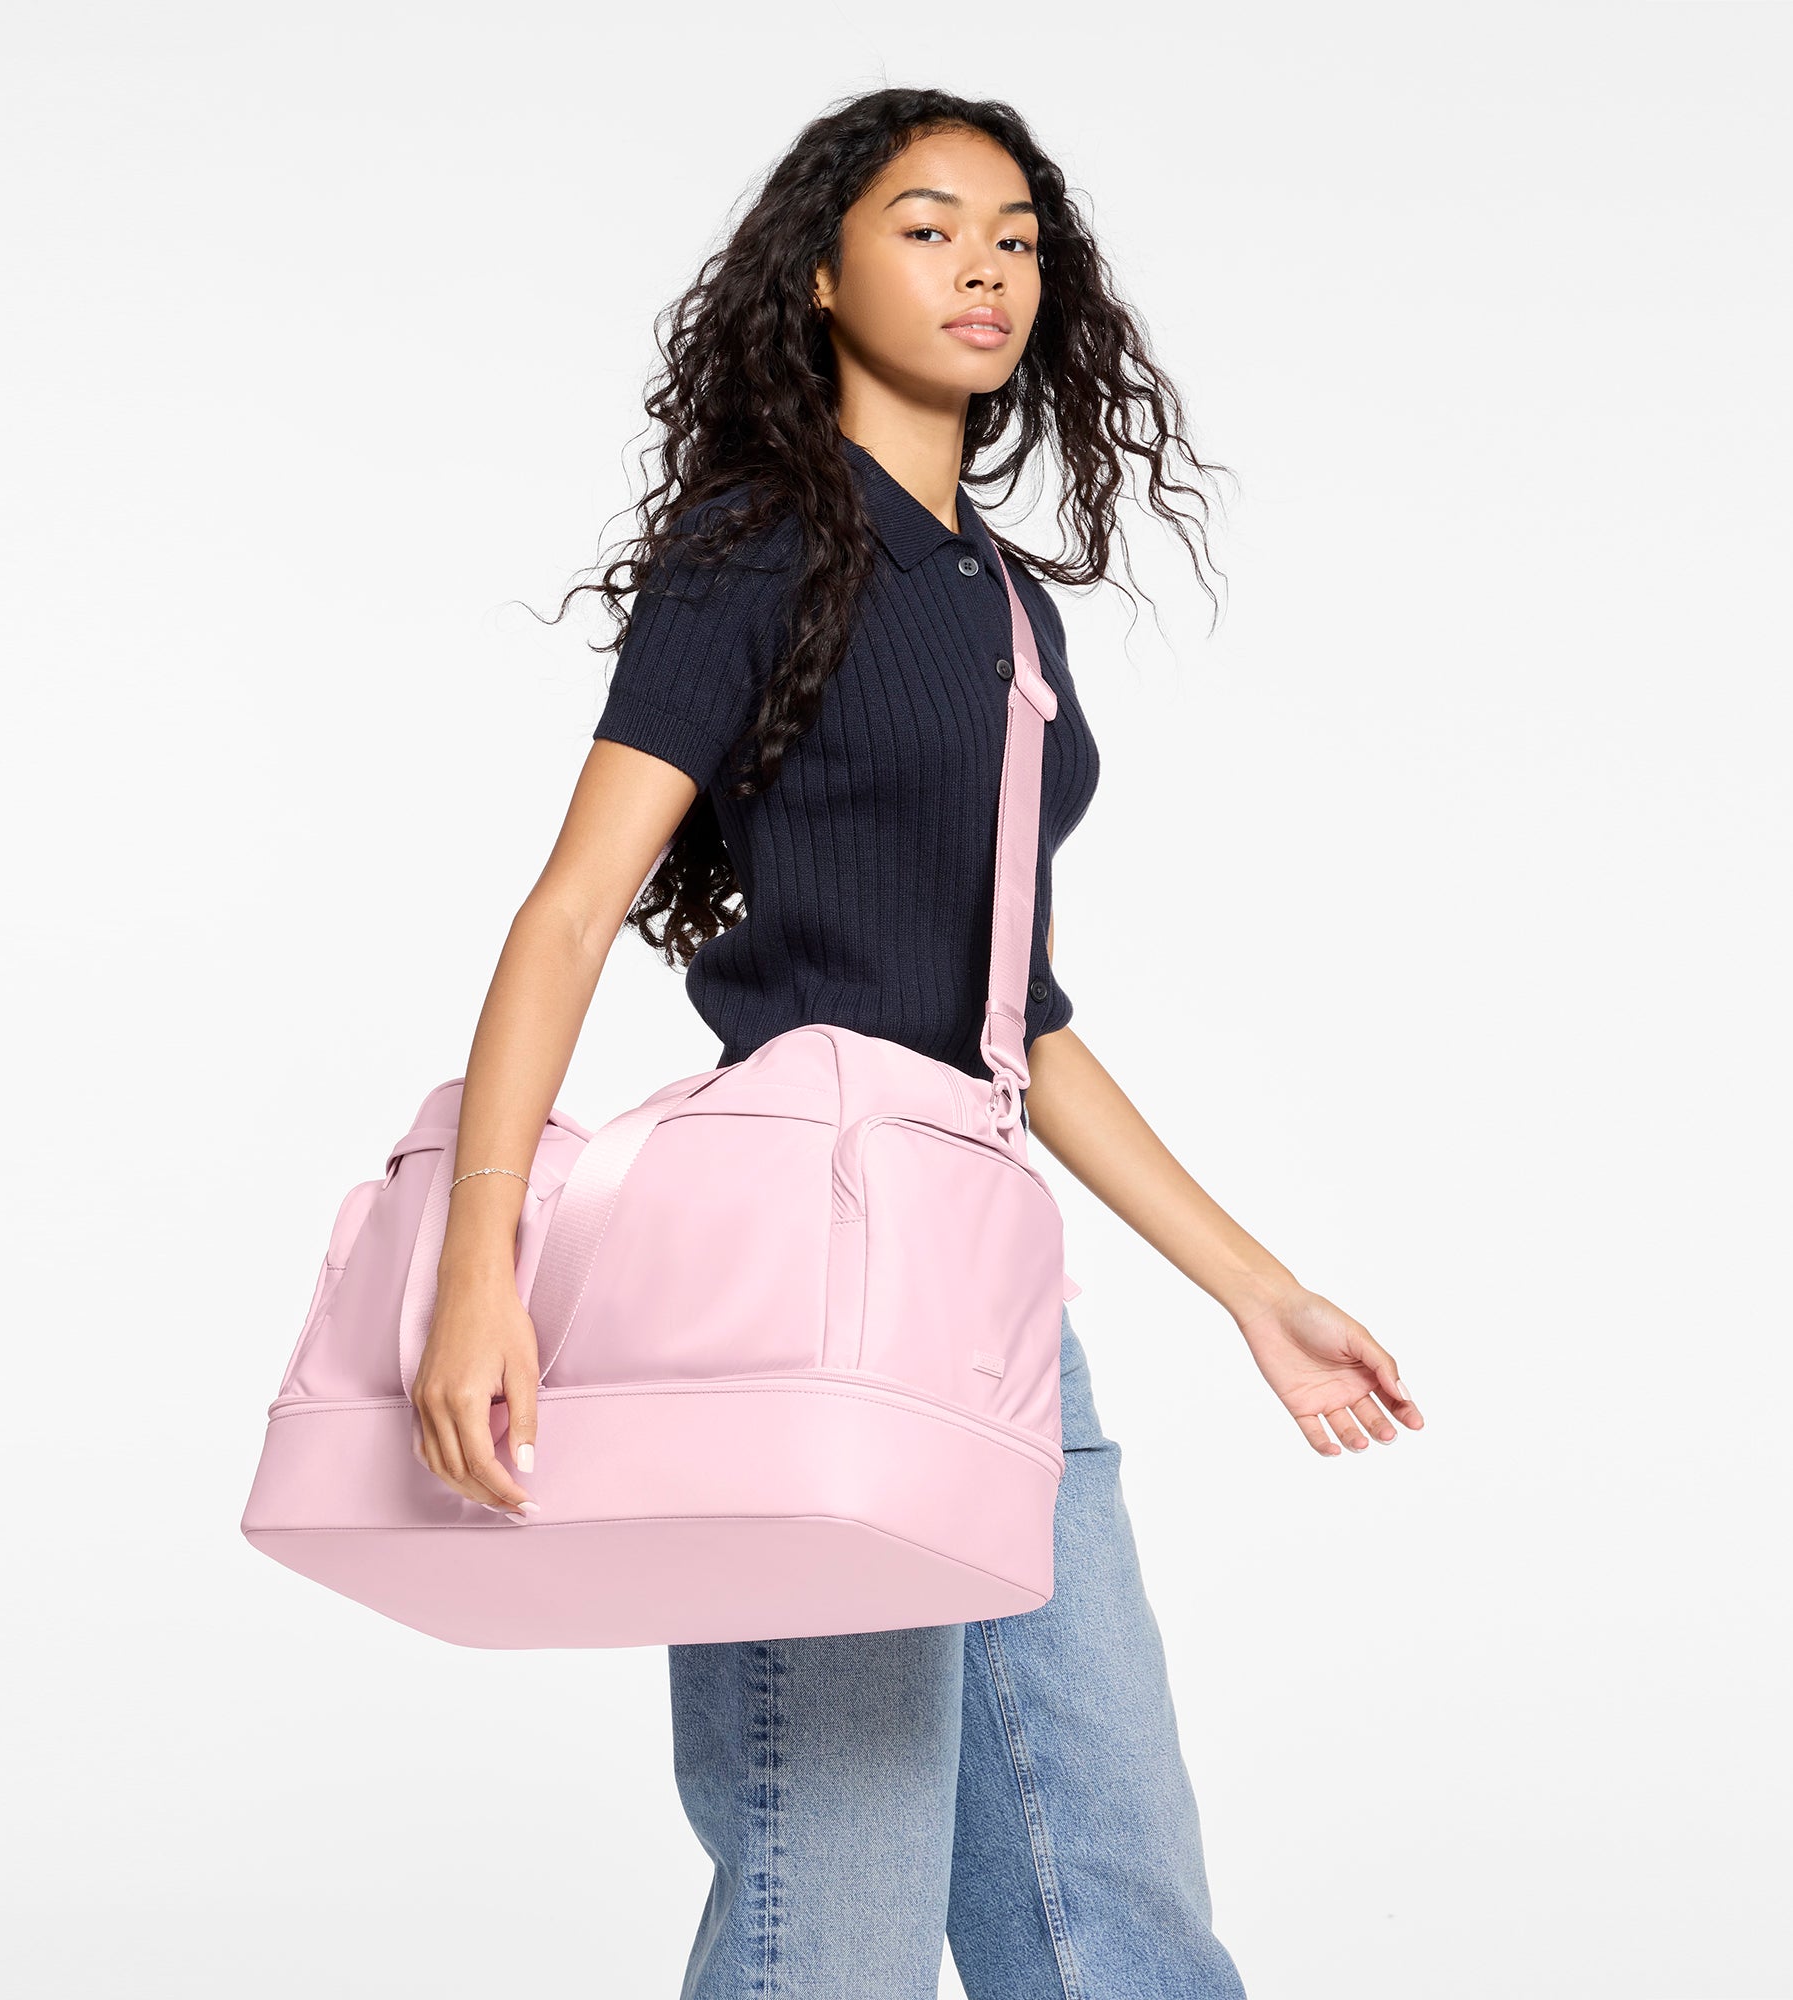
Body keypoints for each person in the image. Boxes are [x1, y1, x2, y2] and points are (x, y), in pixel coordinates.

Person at [407, 85, 1426, 1999]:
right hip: (807, 1273)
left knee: (1113, 1905)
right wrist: (484, 1269)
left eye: (1019, 236)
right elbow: (565, 912)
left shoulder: (1010, 608)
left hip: (991, 1285)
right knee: (836, 1913)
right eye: (931, 224)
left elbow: (1014, 1016)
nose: (987, 267)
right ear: (820, 272)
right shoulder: (758, 551)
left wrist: (1253, 1289)